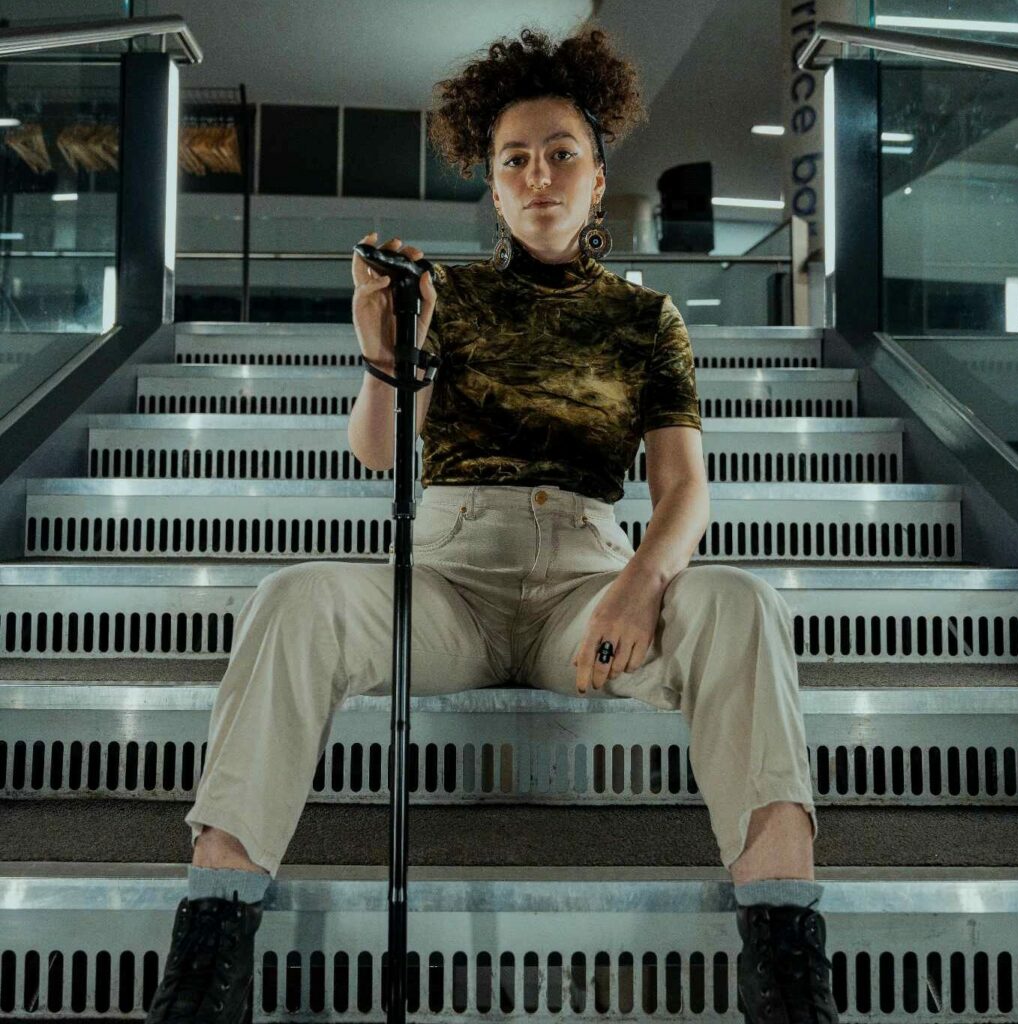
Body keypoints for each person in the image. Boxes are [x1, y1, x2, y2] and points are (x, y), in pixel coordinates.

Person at [145, 26, 839, 1024]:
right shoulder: (446, 299)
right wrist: (385, 352)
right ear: (495, 186)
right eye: (515, 159)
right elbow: (381, 454)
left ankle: (785, 965)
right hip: (446, 584)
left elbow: (685, 487)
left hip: (588, 587)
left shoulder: (648, 322)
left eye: (562, 152)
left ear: (599, 179)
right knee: (290, 595)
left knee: (742, 603)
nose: (539, 173)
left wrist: (642, 585)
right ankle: (208, 952)